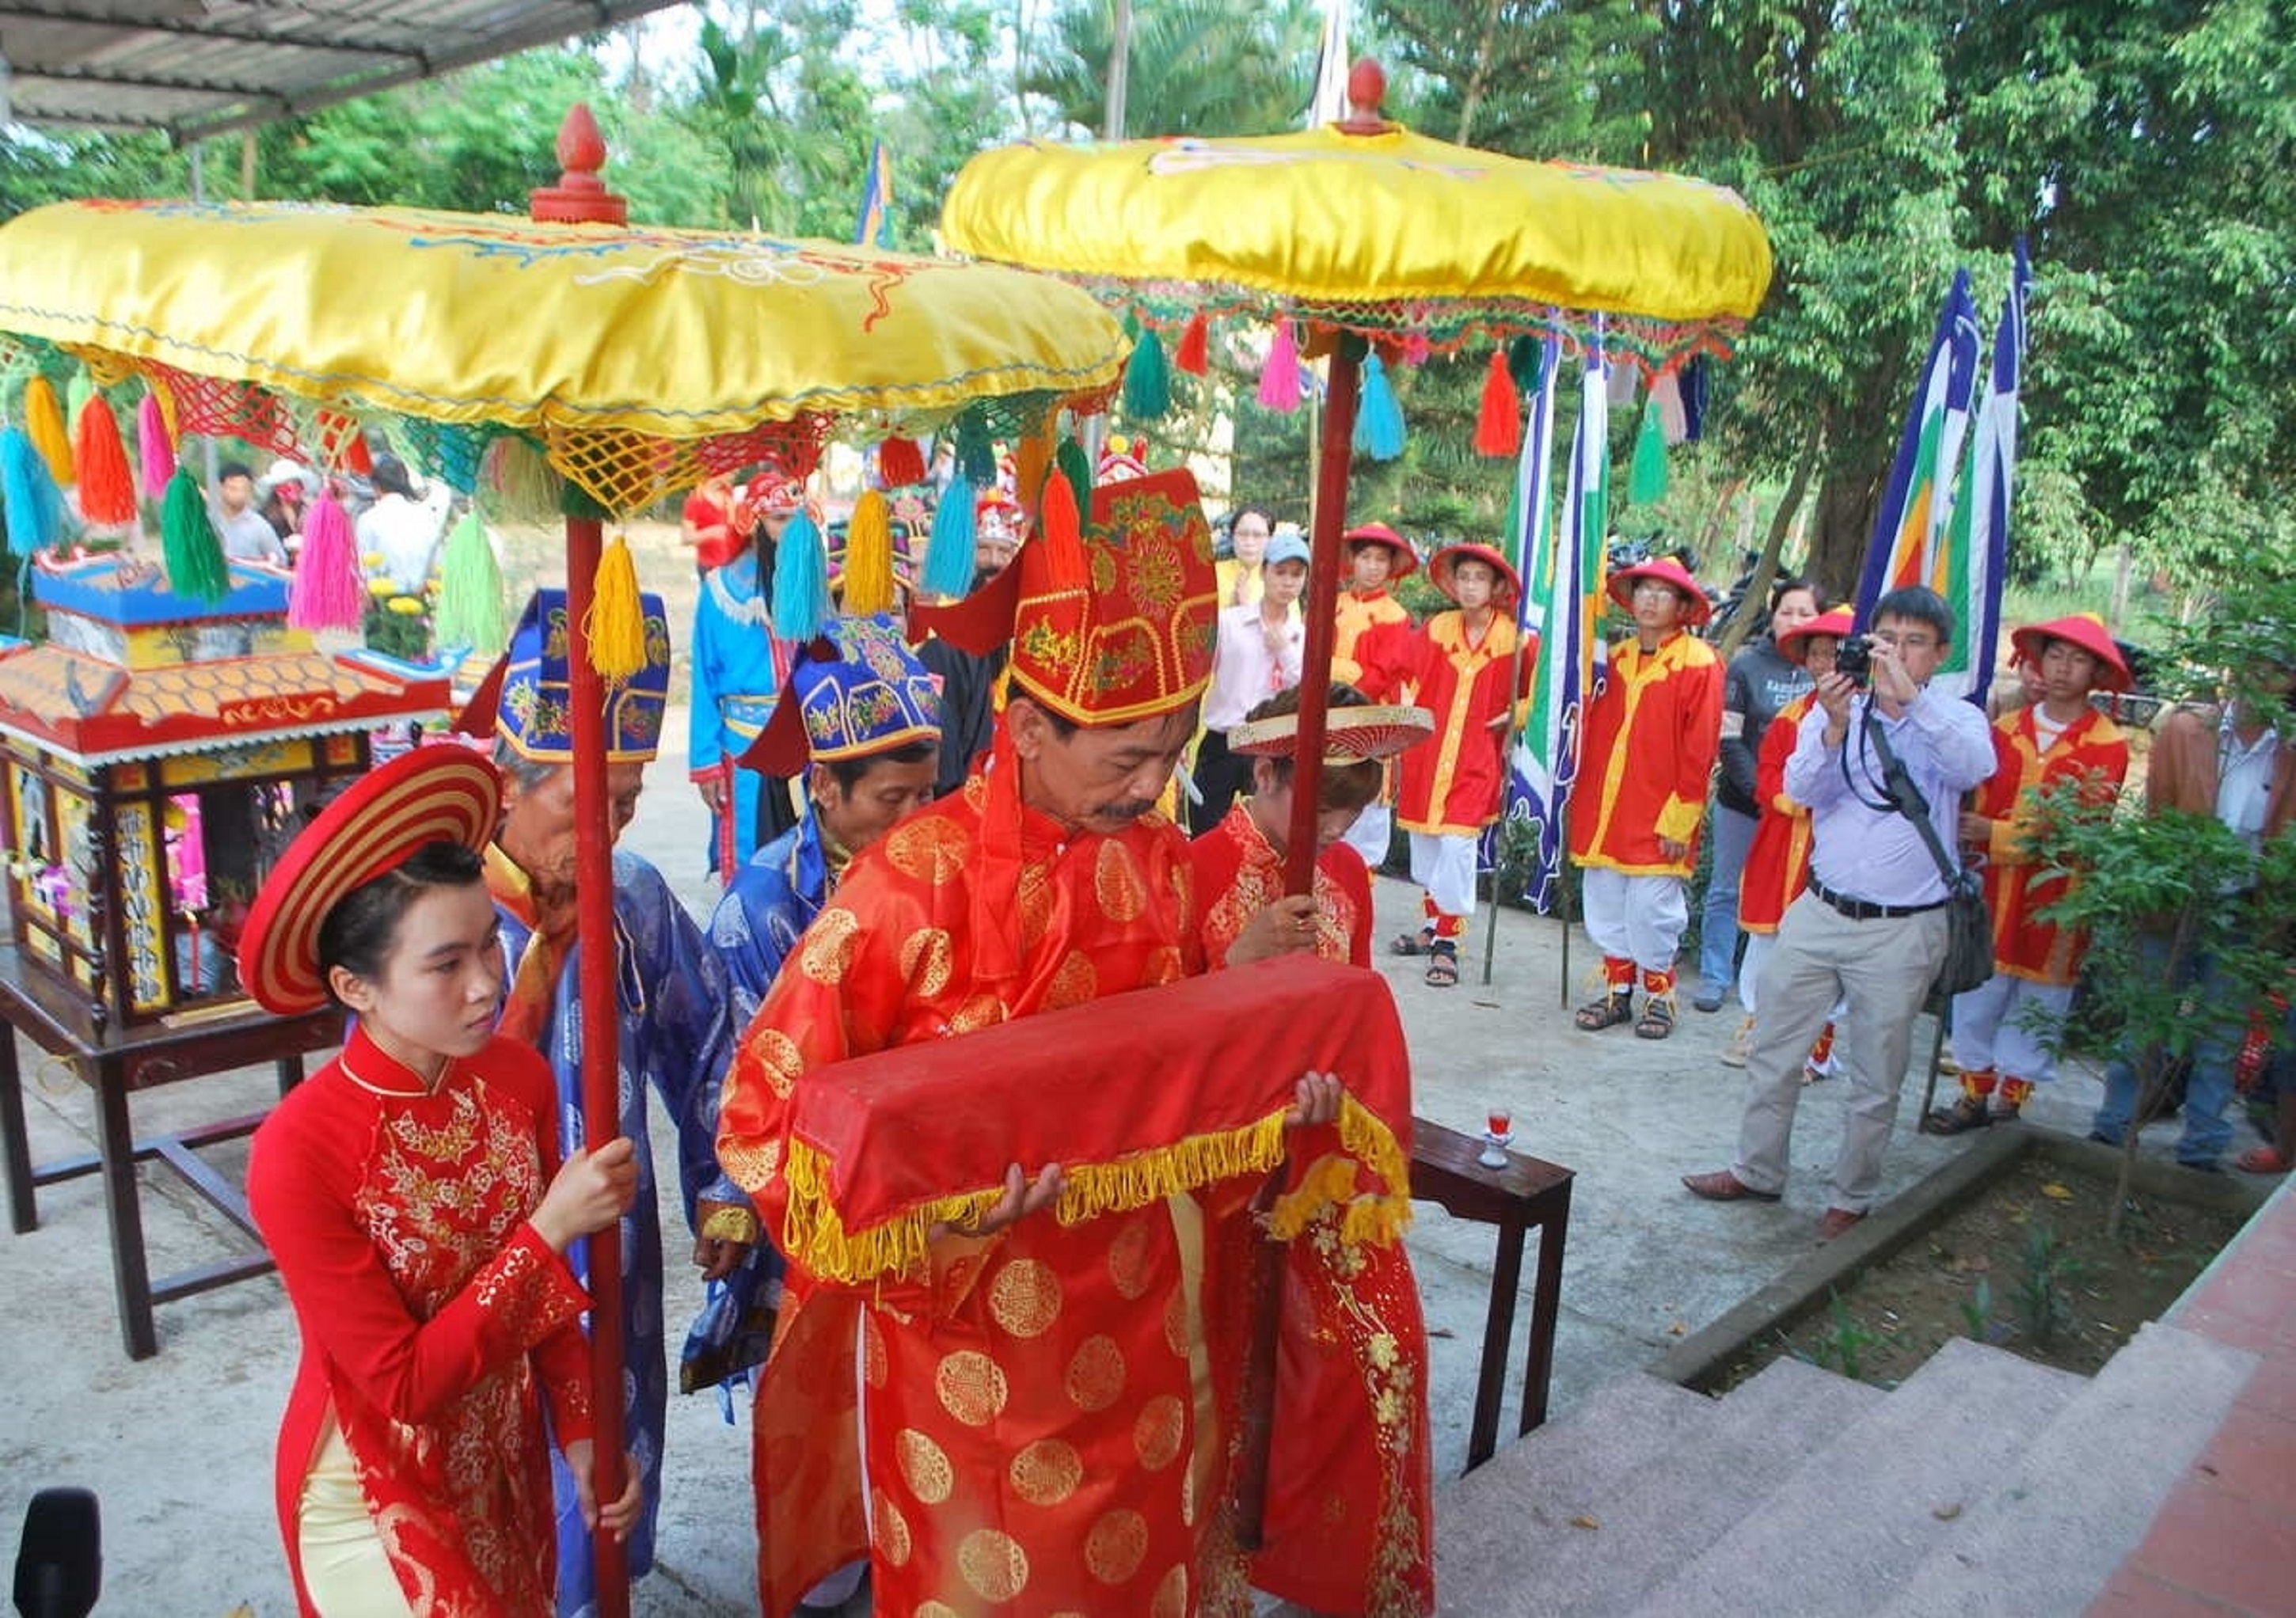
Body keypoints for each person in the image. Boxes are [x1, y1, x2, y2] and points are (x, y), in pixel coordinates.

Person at [717, 468, 1428, 1617]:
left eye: (1168, 754)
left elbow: (1158, 1065)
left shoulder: (1146, 857)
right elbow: (765, 1115)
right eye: (1125, 760)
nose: (1153, 790)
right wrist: (928, 1214)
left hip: (1145, 1312)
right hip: (972, 1335)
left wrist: (1241, 1016)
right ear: (1031, 727)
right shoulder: (910, 885)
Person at [240, 747, 642, 1616]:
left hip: (499, 1469)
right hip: (370, 1491)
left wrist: (580, 1429)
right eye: (444, 963)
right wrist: (551, 1225)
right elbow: (404, 1384)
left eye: (489, 950)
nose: (487, 985)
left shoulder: (515, 1079)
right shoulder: (296, 1150)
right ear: (357, 986)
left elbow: (544, 1304)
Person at [468, 588, 752, 1613]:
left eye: (628, 803)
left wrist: (724, 1188)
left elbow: (715, 1036)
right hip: (484, 1271)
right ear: (506, 783)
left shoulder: (627, 894)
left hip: (610, 1269)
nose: (610, 829)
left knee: (606, 1499)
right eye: (583, 805)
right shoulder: (442, 924)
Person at [1684, 585, 1998, 1239]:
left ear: (1937, 655)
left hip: (1903, 926)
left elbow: (1973, 765)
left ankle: (1851, 1198)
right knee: (1773, 1048)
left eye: (1914, 642)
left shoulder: (1956, 718)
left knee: (1876, 1073)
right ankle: (1757, 1170)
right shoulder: (1834, 712)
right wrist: (1831, 728)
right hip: (1820, 908)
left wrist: (1906, 704)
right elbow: (1797, 790)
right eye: (1888, 638)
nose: (1896, 653)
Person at [1925, 615, 2133, 1134]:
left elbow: (2076, 829)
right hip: (1994, 892)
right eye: (2056, 655)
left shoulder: (2107, 745)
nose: (2063, 669)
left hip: (2060, 898)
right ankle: (1972, 1094)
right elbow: (1973, 806)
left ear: (2096, 671)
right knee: (1978, 994)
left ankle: (2010, 1100)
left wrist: (1994, 835)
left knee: (2040, 1003)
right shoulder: (2005, 731)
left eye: (2078, 659)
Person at [2089, 655, 2296, 1169]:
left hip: (2243, 906)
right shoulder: (2187, 730)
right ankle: (2113, 1127)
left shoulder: (2288, 749)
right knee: (2146, 1018)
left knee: (2221, 1032)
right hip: (2174, 895)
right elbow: (2157, 809)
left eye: (2277, 670)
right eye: (2255, 665)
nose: (2262, 679)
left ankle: (2203, 1144)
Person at [710, 613, 945, 1024]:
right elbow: (744, 1067)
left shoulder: (946, 867)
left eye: (925, 793)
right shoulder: (761, 906)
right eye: (892, 798)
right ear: (826, 785)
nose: (914, 820)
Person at [1359, 541, 1538, 989]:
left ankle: (1448, 944)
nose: (1471, 586)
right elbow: (1395, 671)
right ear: (1453, 583)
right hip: (1429, 755)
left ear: (1497, 586)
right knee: (1429, 852)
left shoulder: (1516, 640)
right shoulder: (1437, 628)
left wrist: (1520, 712)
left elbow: (1540, 693)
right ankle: (1433, 925)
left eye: (1480, 578)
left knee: (1458, 846)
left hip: (1476, 758)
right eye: (1464, 577)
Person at [1569, 556, 1725, 1039]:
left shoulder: (1700, 664)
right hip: (1605, 807)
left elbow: (1701, 746)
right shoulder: (1610, 659)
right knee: (1606, 901)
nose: (1651, 600)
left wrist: (1681, 819)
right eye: (1644, 590)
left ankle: (1660, 996)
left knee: (1653, 909)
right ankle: (1618, 994)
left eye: (1664, 592)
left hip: (1659, 811)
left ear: (1682, 605)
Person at [1191, 683, 1428, 967]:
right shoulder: (1193, 871)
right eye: (1322, 809)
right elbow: (1161, 1006)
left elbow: (1355, 991)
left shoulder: (1348, 869)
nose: (1337, 829)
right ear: (1266, 774)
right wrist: (1238, 960)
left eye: (1355, 810)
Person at [1725, 609, 1853, 1075]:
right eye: (1817, 654)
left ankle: (1818, 1045)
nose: (1824, 664)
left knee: (1827, 949)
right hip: (1780, 844)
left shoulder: (1869, 719)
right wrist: (1794, 800)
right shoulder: (1790, 717)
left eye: (1835, 655)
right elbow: (1767, 775)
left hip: (1831, 853)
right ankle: (1757, 1024)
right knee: (1766, 939)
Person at [1697, 578, 1825, 1011]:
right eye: (1786, 611)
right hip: (1745, 800)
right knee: (1725, 889)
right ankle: (1715, 975)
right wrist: (1762, 793)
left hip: (1803, 815)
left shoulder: (1827, 668)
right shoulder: (1747, 666)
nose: (1794, 620)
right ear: (1772, 615)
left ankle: (1777, 986)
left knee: (1791, 896)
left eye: (1804, 613)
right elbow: (1730, 739)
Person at [690, 476, 804, 879]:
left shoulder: (811, 584)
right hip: (743, 743)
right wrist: (705, 762)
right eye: (778, 520)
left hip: (802, 738)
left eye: (795, 519)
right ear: (754, 523)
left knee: (803, 854)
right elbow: (702, 679)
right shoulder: (721, 590)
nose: (788, 530)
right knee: (749, 859)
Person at [1191, 526, 1310, 834]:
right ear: (1264, 573)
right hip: (1224, 740)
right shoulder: (1231, 623)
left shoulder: (1301, 636)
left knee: (1262, 835)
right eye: (1280, 572)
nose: (1287, 582)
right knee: (1206, 825)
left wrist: (1283, 650)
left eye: (1296, 575)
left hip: (1271, 746)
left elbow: (1305, 689)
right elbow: (1200, 674)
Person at [1332, 521, 1417, 870]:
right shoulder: (1333, 604)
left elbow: (1386, 672)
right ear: (1353, 561)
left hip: (1369, 721)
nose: (1372, 566)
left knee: (1366, 811)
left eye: (1381, 560)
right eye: (1365, 557)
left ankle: (1361, 890)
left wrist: (1344, 696)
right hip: (1328, 716)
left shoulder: (1395, 616)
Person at [212, 459, 287, 565]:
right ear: (221, 488)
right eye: (233, 489)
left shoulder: (259, 526)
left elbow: (281, 561)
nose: (240, 495)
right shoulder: (208, 521)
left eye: (245, 489)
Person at [679, 469, 752, 576]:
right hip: (710, 566)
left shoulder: (729, 493)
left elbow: (734, 525)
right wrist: (711, 532)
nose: (734, 477)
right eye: (731, 473)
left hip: (731, 564)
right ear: (718, 471)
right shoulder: (695, 500)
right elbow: (686, 538)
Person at [1216, 501, 1277, 608]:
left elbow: (1291, 623)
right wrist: (1232, 607)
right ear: (1232, 537)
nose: (1249, 542)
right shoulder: (1212, 574)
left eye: (1258, 535)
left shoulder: (1280, 578)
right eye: (1243, 534)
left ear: (1270, 539)